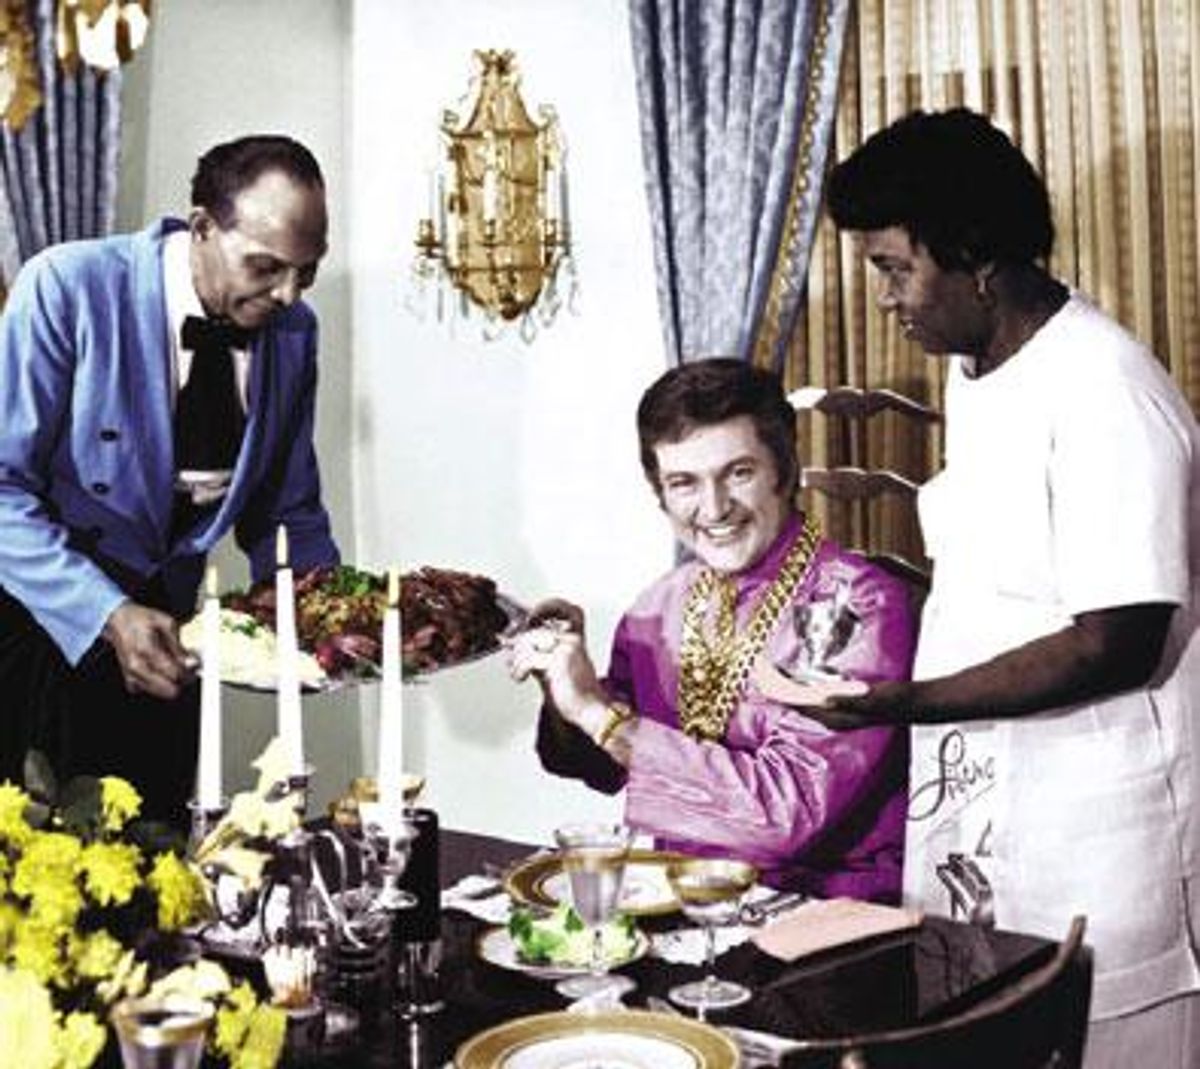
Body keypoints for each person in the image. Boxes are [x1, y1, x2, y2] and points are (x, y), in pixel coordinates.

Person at [798, 108, 1200, 1066]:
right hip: (986, 814)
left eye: (896, 269)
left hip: (1098, 838)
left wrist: (904, 703)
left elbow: (1117, 642)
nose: (886, 298)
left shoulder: (1107, 392)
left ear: (976, 255)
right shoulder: (979, 369)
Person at [0, 134, 340, 828]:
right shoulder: (65, 286)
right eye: (266, 267)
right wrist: (106, 614)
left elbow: (286, 509)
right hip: (39, 628)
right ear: (203, 227)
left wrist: (330, 622)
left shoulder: (294, 331)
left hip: (167, 643)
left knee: (159, 859)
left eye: (307, 272)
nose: (288, 294)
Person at [508, 358, 916, 902]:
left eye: (738, 473)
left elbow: (788, 813)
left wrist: (597, 714)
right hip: (681, 903)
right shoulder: (659, 605)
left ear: (785, 470)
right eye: (684, 483)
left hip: (823, 916)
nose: (714, 508)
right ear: (660, 494)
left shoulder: (853, 604)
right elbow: (601, 767)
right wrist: (561, 680)